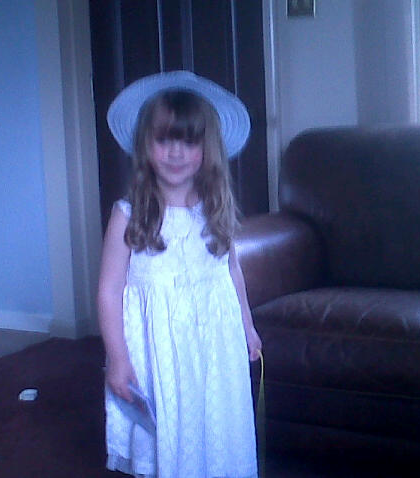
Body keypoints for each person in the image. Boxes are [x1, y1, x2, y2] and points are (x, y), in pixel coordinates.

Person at [97, 70, 262, 478]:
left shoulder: (215, 209)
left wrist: (247, 326)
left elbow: (232, 271)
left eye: (189, 141)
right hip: (160, 351)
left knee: (214, 422)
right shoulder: (128, 215)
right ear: (145, 145)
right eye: (164, 139)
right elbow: (109, 291)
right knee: (170, 430)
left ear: (208, 149)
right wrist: (117, 359)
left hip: (214, 344)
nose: (175, 152)